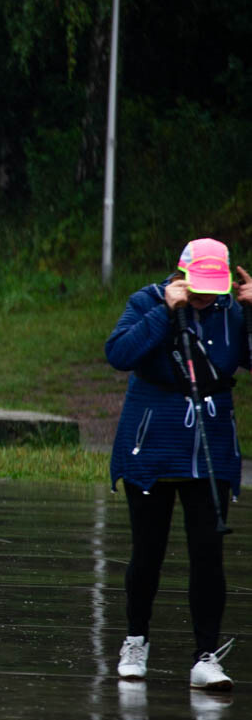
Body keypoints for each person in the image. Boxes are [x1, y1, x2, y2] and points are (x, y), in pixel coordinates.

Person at [106, 237, 252, 691]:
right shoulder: (146, 300)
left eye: (215, 285)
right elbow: (119, 354)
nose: (207, 296)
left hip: (211, 450)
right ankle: (135, 641)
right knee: (146, 554)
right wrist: (164, 313)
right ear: (181, 274)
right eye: (199, 285)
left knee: (208, 557)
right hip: (150, 445)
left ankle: (205, 656)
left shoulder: (234, 310)